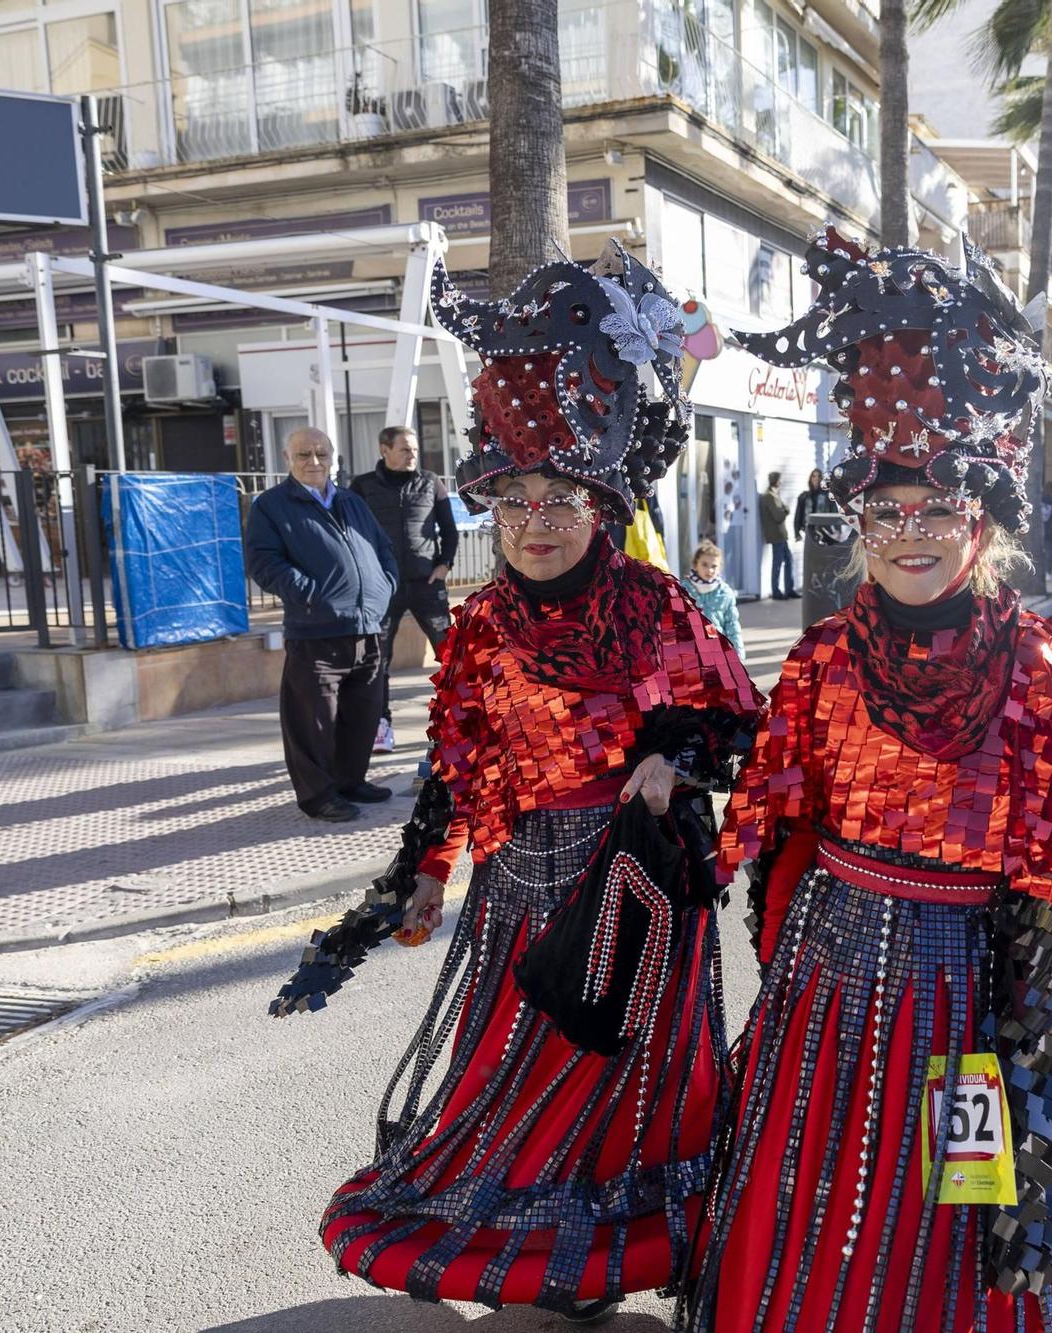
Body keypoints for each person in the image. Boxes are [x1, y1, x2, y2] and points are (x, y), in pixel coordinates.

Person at [685, 228, 1052, 1333]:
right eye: (886, 511)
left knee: (959, 1205)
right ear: (858, 524)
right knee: (811, 1194)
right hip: (826, 993)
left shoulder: (1036, 666)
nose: (909, 534)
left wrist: (1031, 1074)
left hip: (965, 1005)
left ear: (977, 520)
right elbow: (773, 822)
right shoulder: (825, 656)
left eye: (935, 508)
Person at [298, 249, 764, 1321]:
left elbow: (741, 726)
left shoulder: (656, 606)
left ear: (600, 506)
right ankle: (535, 1247)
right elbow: (452, 764)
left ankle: (621, 1252)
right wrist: (423, 869)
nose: (537, 521)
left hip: (637, 900)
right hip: (517, 898)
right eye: (515, 502)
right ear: (491, 512)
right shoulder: (477, 631)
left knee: (627, 1093)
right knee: (518, 1087)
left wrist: (674, 755)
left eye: (560, 498)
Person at [246, 427, 398, 822]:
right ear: (287, 458)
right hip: (316, 632)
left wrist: (386, 586)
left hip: (366, 628)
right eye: (303, 455)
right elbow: (263, 562)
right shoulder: (272, 505)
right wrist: (311, 593)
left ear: (334, 457)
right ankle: (317, 796)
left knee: (361, 716)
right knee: (313, 721)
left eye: (321, 454)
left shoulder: (351, 501)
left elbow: (382, 549)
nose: (314, 462)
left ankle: (351, 782)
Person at [351, 425, 460, 755]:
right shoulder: (362, 486)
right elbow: (351, 534)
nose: (413, 454)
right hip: (384, 589)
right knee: (378, 660)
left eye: (414, 449)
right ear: (385, 450)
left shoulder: (432, 482)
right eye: (405, 449)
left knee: (453, 654)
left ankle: (457, 722)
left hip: (427, 585)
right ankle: (381, 726)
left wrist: (443, 566)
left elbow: (450, 530)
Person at [684, 538, 743, 648]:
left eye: (714, 566)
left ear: (720, 567)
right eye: (704, 565)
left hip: (718, 649)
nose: (710, 570)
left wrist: (737, 655)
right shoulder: (683, 591)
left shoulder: (725, 593)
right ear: (696, 565)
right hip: (691, 651)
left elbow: (732, 625)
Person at [760, 471, 799, 599]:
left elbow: (781, 510)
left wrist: (784, 509)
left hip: (781, 535)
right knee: (777, 563)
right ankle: (776, 591)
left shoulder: (775, 495)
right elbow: (778, 516)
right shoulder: (769, 497)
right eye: (779, 480)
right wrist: (785, 510)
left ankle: (789, 589)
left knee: (788, 560)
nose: (781, 482)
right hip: (776, 535)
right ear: (776, 481)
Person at [792, 465, 851, 548]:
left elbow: (834, 512)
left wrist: (838, 530)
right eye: (814, 476)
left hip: (826, 532)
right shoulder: (803, 497)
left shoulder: (828, 496)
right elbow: (798, 516)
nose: (816, 478)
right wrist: (796, 533)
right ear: (810, 479)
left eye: (819, 476)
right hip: (809, 532)